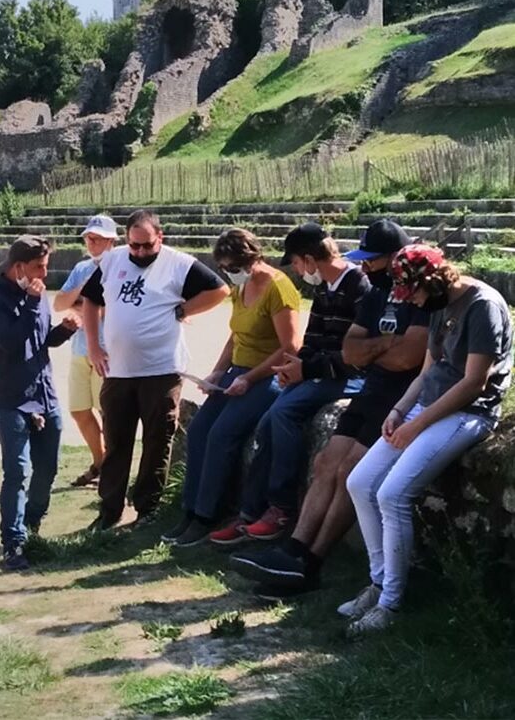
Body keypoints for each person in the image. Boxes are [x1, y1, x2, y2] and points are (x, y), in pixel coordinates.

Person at [231, 219, 429, 590]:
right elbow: (353, 352)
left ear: (396, 256)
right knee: (325, 463)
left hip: (401, 397)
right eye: (364, 259)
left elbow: (409, 359)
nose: (366, 266)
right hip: (373, 390)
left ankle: (311, 563)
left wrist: (373, 352)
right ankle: (291, 551)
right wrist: (386, 346)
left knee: (349, 471)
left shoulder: (418, 296)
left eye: (373, 260)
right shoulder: (375, 295)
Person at [341, 244, 512, 635]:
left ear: (432, 281)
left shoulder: (481, 306)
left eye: (414, 293)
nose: (413, 302)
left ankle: (390, 604)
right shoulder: (437, 304)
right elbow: (427, 371)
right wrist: (399, 411)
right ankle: (379, 580)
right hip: (429, 407)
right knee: (361, 483)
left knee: (393, 494)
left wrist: (415, 426)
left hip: (468, 413)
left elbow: (473, 383)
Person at [209, 222, 369, 545]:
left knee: (283, 413)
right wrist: (293, 366)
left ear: (309, 259)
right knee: (269, 419)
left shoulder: (358, 286)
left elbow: (356, 354)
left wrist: (305, 369)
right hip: (320, 371)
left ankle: (280, 508)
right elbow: (311, 339)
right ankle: (251, 512)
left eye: (296, 262)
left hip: (349, 377)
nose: (297, 270)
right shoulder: (325, 287)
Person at [83, 209, 228, 531]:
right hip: (118, 371)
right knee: (117, 443)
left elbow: (219, 290)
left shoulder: (178, 263)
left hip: (161, 370)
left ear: (160, 238)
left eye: (147, 246)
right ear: (126, 241)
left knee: (156, 441)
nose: (140, 253)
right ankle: (109, 511)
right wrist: (93, 346)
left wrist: (185, 309)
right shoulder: (112, 260)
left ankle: (147, 510)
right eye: (134, 246)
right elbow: (90, 302)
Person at [161, 228, 302, 547]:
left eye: (234, 268)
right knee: (198, 430)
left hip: (266, 378)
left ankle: (208, 514)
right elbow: (235, 335)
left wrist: (249, 378)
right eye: (225, 268)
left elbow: (291, 346)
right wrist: (217, 373)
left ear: (253, 258)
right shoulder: (241, 288)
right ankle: (190, 509)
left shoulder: (279, 288)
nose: (230, 274)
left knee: (222, 434)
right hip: (236, 373)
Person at [0, 235, 79, 571]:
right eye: (39, 267)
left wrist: (63, 330)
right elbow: (11, 343)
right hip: (11, 400)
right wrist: (35, 304)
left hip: (44, 394)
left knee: (48, 467)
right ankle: (13, 541)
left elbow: (39, 339)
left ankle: (32, 523)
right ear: (18, 266)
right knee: (17, 471)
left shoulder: (37, 293)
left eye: (46, 267)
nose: (44, 275)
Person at [52, 214, 118, 488]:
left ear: (111, 241)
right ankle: (100, 461)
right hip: (80, 348)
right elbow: (59, 303)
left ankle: (112, 468)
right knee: (79, 409)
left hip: (108, 350)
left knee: (108, 412)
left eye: (97, 238)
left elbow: (110, 312)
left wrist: (83, 305)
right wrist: (83, 290)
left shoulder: (120, 267)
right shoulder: (81, 268)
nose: (91, 243)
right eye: (88, 238)